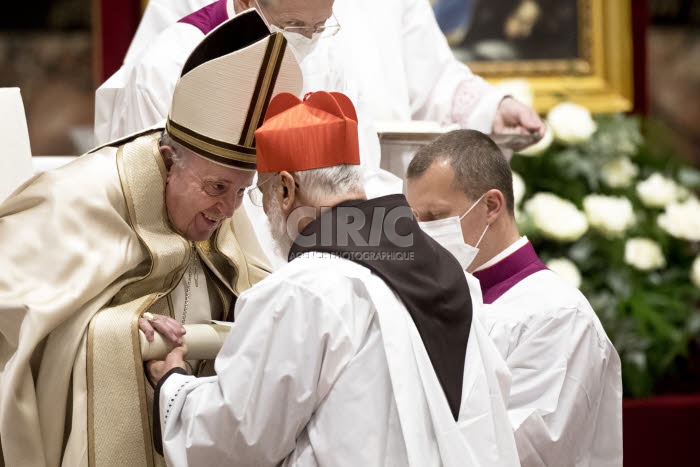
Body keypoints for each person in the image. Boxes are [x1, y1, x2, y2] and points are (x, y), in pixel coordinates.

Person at [146, 91, 521, 466]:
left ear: (287, 189)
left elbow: (238, 436)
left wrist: (174, 386)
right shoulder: (445, 266)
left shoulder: (305, 289)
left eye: (262, 195)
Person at [0, 11, 302, 467]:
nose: (228, 211)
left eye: (242, 191)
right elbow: (17, 321)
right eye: (217, 188)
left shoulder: (219, 206)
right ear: (168, 160)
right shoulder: (80, 196)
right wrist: (120, 331)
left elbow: (250, 287)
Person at [405, 129, 623, 466]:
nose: (423, 234)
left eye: (435, 216)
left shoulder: (558, 315)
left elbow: (523, 449)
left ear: (491, 205)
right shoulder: (435, 300)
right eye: (415, 221)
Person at [94, 0, 544, 148]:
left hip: (365, 203)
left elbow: (433, 78)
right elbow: (148, 91)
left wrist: (491, 109)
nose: (311, 37)